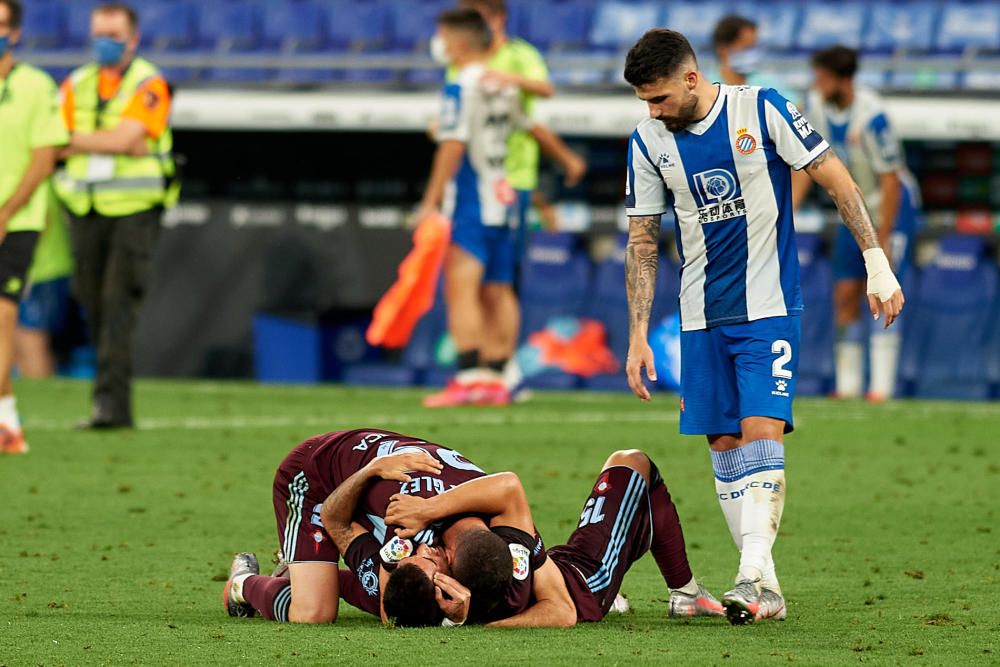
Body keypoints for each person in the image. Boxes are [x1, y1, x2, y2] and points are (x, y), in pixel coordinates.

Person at [620, 30, 904, 624]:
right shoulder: (647, 142)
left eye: (660, 98)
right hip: (699, 314)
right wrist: (638, 333)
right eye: (645, 101)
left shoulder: (763, 106)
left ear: (691, 79)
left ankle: (750, 575)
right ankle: (765, 587)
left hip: (770, 305)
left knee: (761, 429)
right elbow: (643, 238)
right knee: (723, 443)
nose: (653, 111)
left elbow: (838, 180)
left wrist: (877, 264)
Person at [222, 428, 539, 626]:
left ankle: (301, 570)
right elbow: (392, 612)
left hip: (379, 478)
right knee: (314, 613)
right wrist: (371, 471)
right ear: (449, 554)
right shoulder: (410, 524)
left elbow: (509, 484)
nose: (431, 553)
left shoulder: (492, 515)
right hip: (316, 476)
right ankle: (242, 585)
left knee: (405, 580)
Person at [388, 449, 723, 626]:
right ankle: (685, 593)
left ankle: (672, 590)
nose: (424, 549)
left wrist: (457, 621)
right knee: (633, 463)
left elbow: (378, 596)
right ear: (447, 573)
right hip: (584, 583)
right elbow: (563, 612)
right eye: (433, 556)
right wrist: (427, 510)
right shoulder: (502, 562)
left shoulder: (423, 587)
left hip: (554, 564)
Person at [450, 0, 587, 400]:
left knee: (500, 280)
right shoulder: (461, 61)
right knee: (475, 282)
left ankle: (499, 368)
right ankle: (483, 371)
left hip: (513, 178)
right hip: (475, 178)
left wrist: (504, 77)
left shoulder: (520, 55)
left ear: (496, 19)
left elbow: (542, 94)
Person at [54, 2, 177, 429]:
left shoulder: (150, 83)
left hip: (133, 210)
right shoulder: (77, 83)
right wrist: (107, 140)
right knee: (92, 302)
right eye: (99, 33)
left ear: (133, 38)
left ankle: (111, 407)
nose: (104, 42)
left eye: (114, 34)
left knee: (117, 303)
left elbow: (129, 139)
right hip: (85, 208)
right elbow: (54, 141)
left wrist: (80, 139)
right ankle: (106, 402)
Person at [418, 9, 534, 408]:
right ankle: (497, 379)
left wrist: (430, 201)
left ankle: (469, 378)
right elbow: (524, 125)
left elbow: (453, 145)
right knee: (500, 288)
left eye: (443, 39)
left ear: (460, 43)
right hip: (503, 195)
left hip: (471, 197)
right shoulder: (502, 84)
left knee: (461, 287)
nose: (440, 47)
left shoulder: (460, 85)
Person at [793, 46, 921, 401]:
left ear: (842, 80)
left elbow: (892, 180)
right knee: (845, 293)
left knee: (884, 288)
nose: (816, 84)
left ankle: (881, 386)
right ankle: (847, 385)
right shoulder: (815, 108)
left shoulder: (873, 117)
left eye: (822, 78)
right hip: (852, 211)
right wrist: (785, 212)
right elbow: (805, 168)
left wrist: (881, 240)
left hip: (889, 212)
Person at [0, 0, 70, 454]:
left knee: (3, 319)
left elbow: (44, 159)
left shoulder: (36, 86)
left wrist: (5, 213)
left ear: (17, 33)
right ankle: (8, 422)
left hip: (16, 222)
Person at [15, 186, 74, 379]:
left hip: (41, 270)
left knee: (31, 340)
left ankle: (41, 396)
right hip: (25, 271)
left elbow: (42, 222)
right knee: (16, 341)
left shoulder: (33, 178)